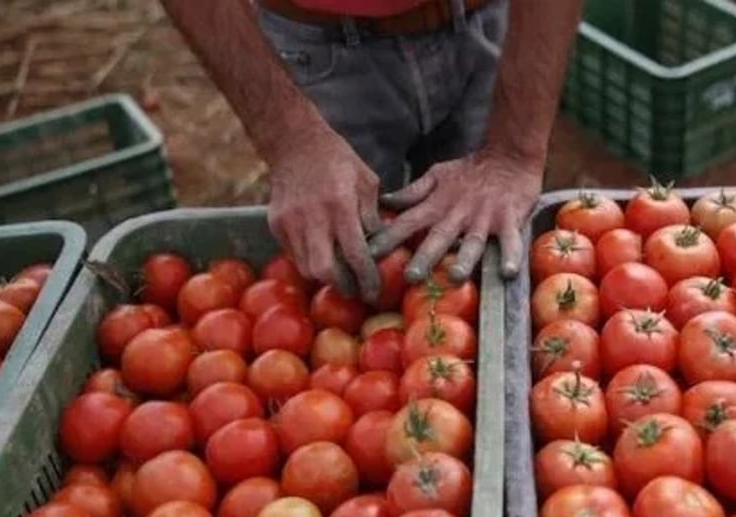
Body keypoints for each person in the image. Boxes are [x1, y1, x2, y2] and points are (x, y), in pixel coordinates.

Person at [160, 0, 584, 303]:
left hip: (489, 19)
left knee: (480, 271)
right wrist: (292, 140)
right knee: (343, 284)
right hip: (312, 41)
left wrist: (514, 152)